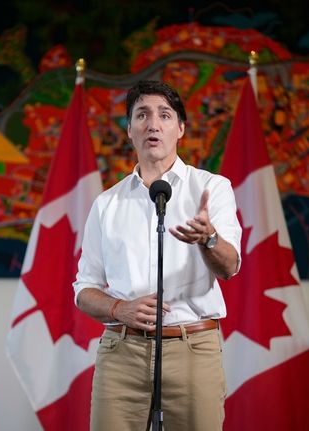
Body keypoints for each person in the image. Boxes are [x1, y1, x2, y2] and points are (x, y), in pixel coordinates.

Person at [73, 80, 242, 430]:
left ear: (179, 128)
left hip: (192, 349)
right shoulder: (106, 204)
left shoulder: (212, 188)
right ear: (130, 130)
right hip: (122, 353)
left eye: (165, 115)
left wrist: (208, 238)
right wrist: (120, 309)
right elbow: (84, 290)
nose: (153, 124)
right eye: (142, 115)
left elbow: (230, 267)